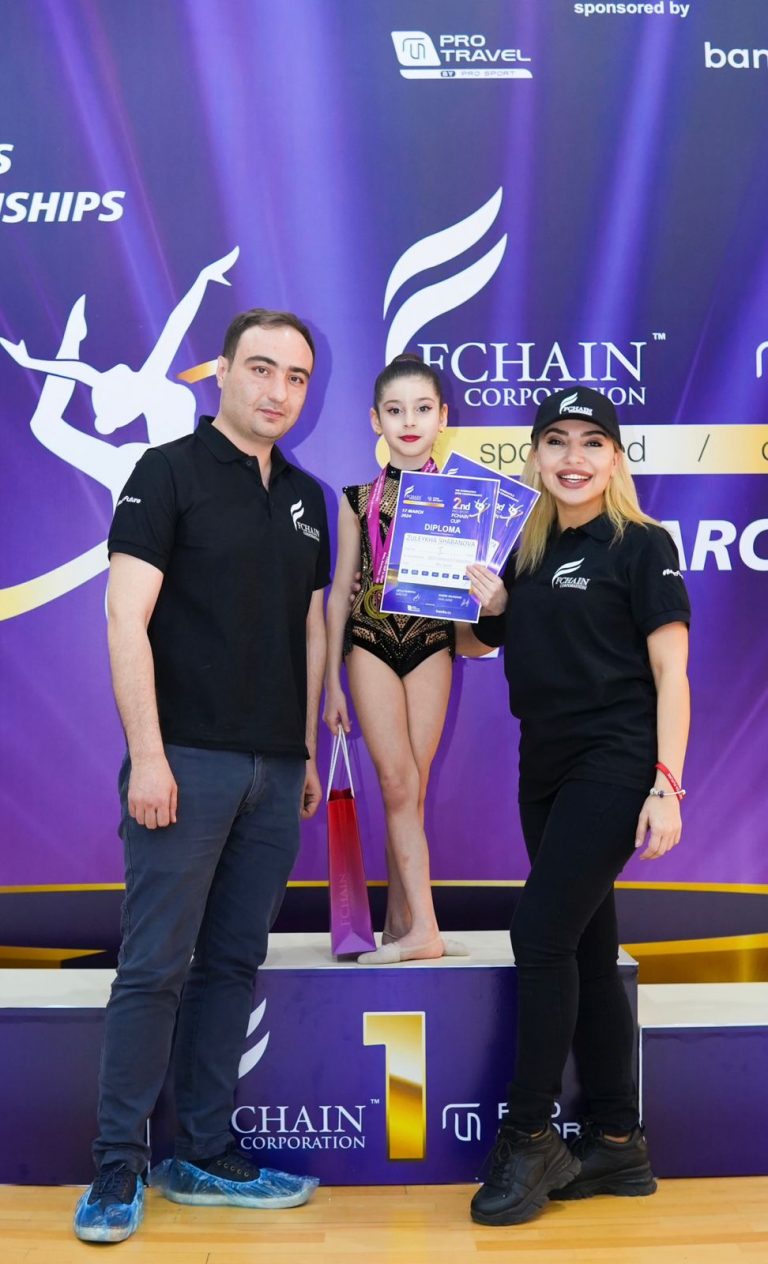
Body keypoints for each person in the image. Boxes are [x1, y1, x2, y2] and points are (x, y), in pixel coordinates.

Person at [73, 308, 329, 1244]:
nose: (278, 391)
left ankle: (205, 1154)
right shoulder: (166, 472)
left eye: (296, 377)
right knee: (153, 970)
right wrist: (148, 754)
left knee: (230, 966)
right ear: (220, 373)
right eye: (260, 369)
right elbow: (124, 619)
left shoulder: (307, 498)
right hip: (182, 763)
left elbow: (309, 627)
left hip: (276, 771)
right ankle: (116, 1168)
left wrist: (304, 750)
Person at [457, 386, 690, 1226]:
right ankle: (618, 1142)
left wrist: (666, 782)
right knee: (588, 951)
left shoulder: (642, 545)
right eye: (556, 441)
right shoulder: (527, 549)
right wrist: (486, 609)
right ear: (536, 456)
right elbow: (475, 644)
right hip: (544, 767)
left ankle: (530, 1135)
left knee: (541, 934)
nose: (573, 457)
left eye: (592, 442)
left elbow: (672, 674)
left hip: (615, 760)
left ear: (615, 457)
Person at [323, 354, 466, 964]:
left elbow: (475, 599)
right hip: (370, 642)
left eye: (422, 409)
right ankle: (427, 931)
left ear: (442, 418)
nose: (409, 421)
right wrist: (331, 682)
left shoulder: (464, 499)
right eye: (395, 410)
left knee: (413, 787)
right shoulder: (357, 499)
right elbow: (339, 592)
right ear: (375, 420)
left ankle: (401, 923)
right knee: (396, 781)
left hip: (432, 642)